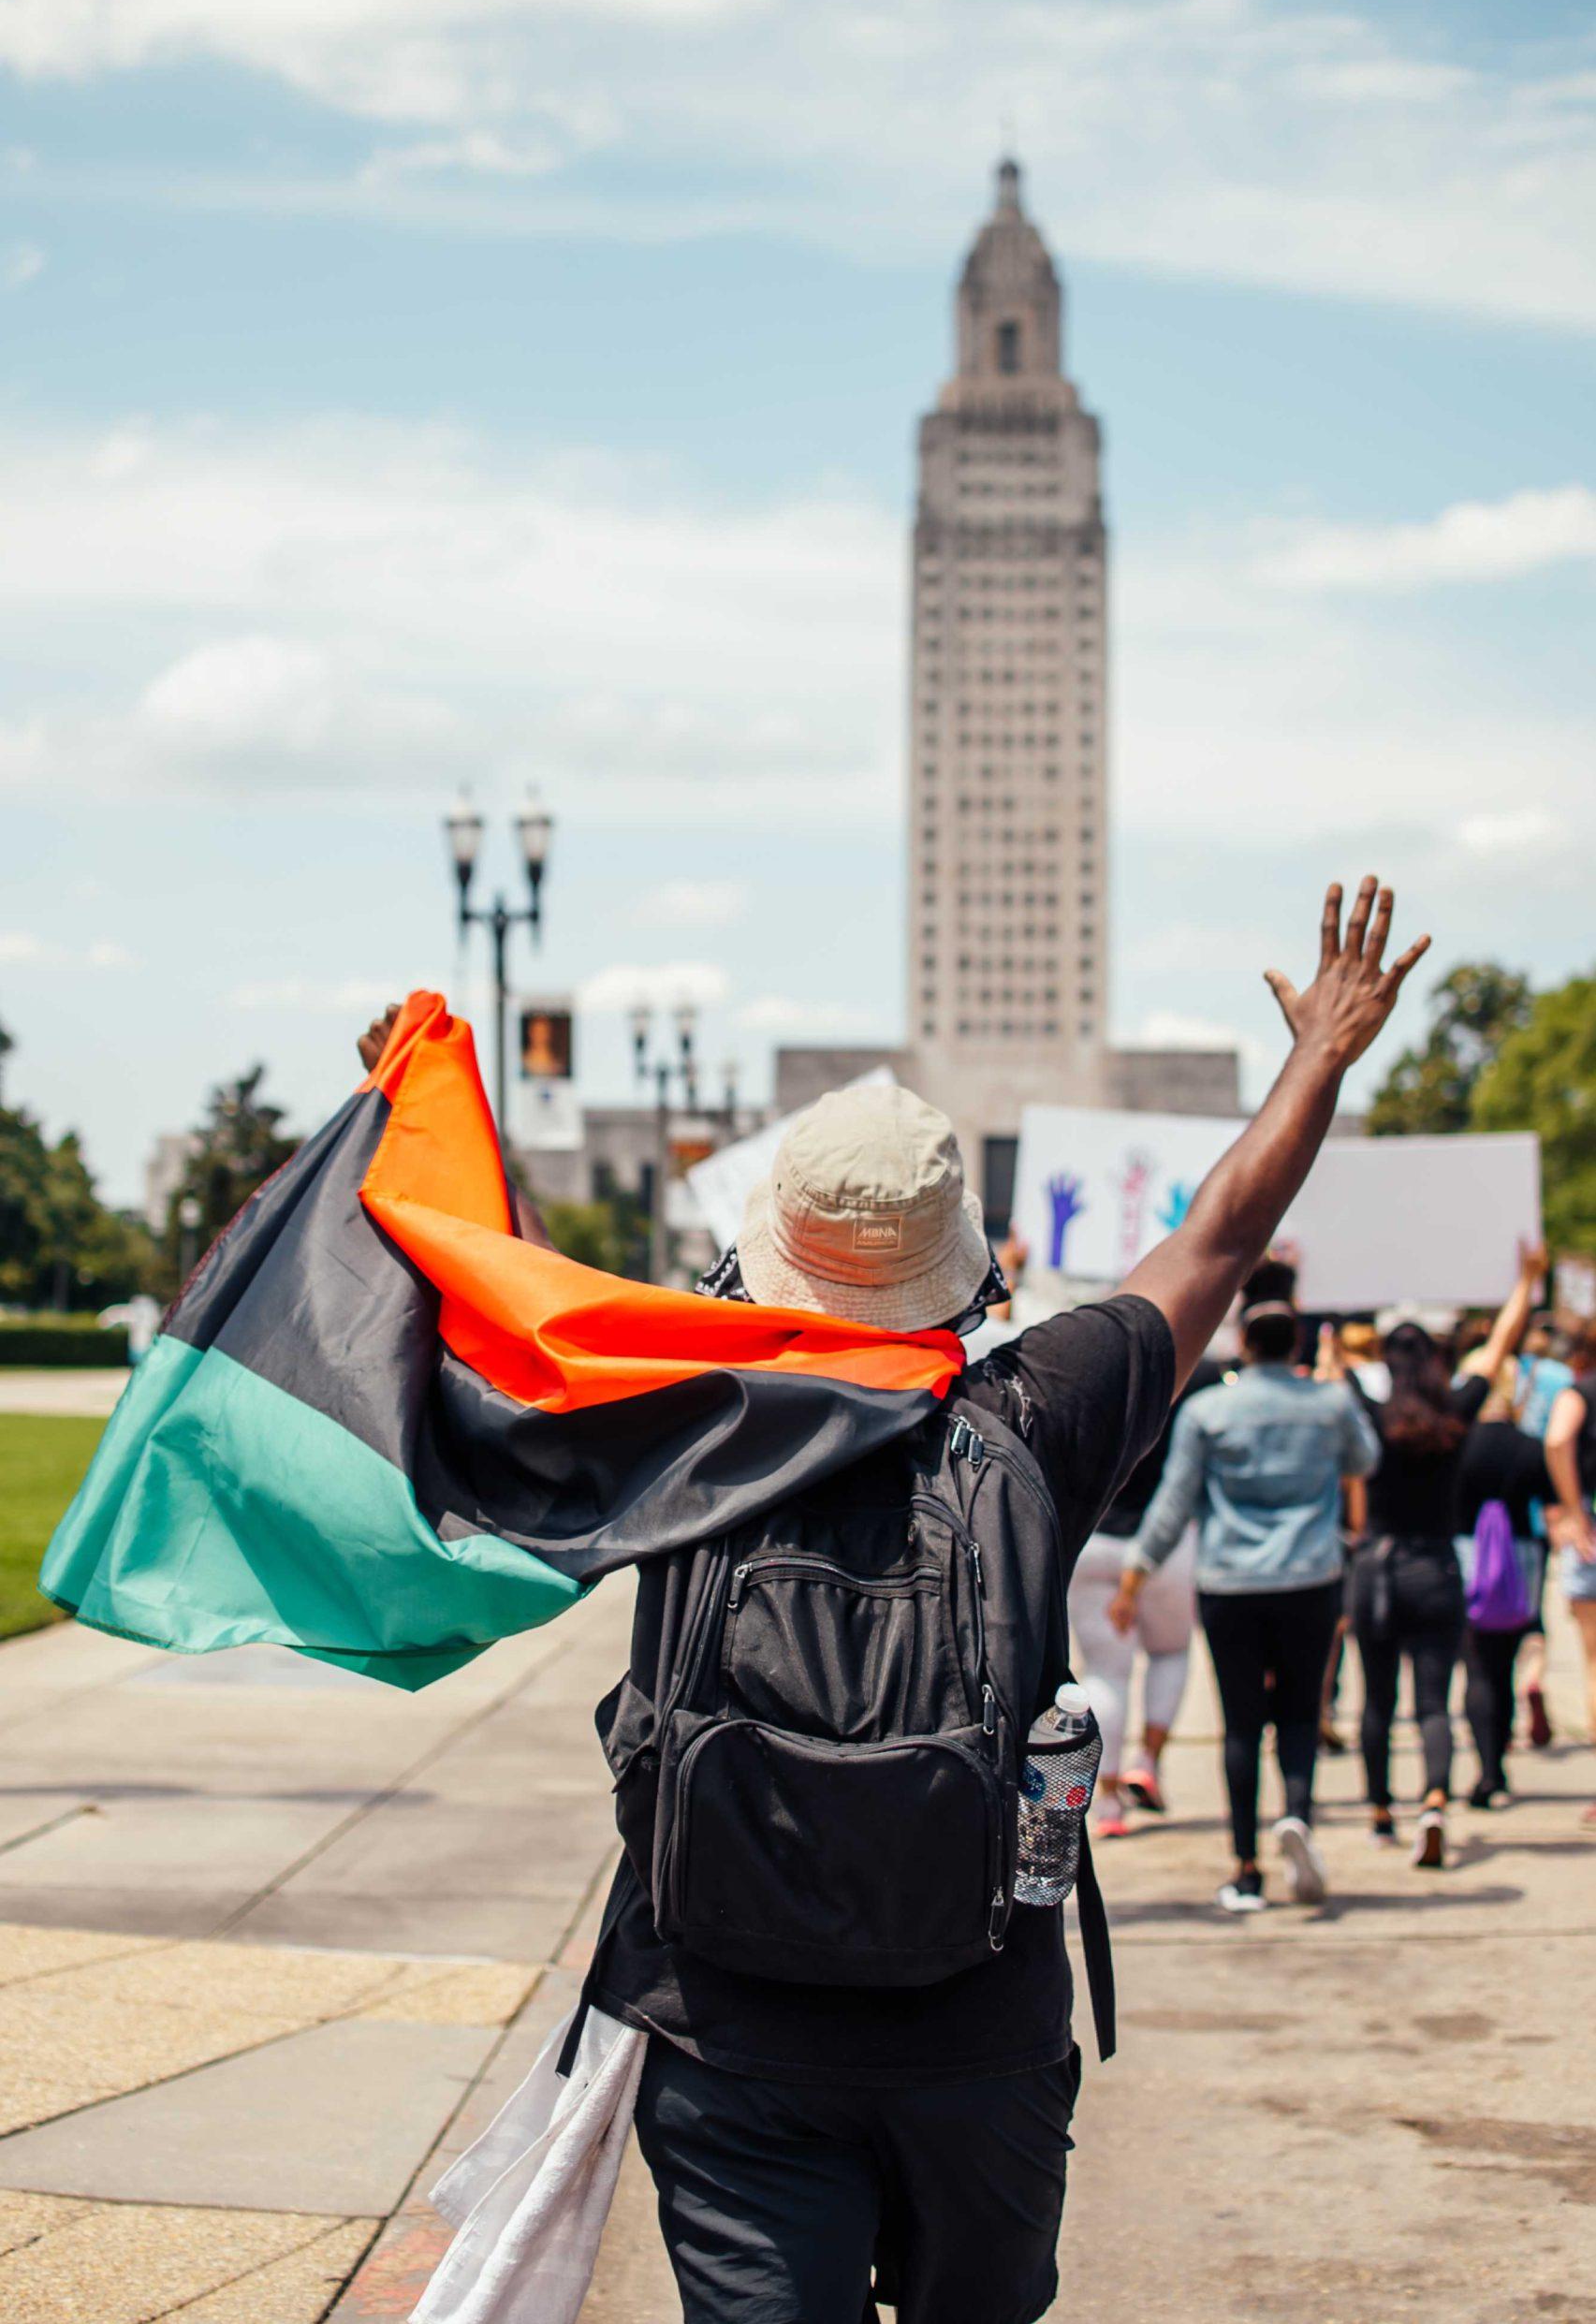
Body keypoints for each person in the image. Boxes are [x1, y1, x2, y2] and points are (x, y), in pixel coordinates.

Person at [360, 874, 1427, 2324]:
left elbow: (505, 1306)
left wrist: (407, 1125)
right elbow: (1219, 1243)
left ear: (769, 1253)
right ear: (962, 1267)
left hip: (725, 2028)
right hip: (977, 2040)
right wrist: (1320, 1052)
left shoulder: (686, 1422)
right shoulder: (1044, 1418)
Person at [1110, 1262, 1380, 1913]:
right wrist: (1331, 1390)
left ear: (1242, 1343)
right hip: (1309, 1577)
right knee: (1297, 1714)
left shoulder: (1207, 1411)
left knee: (1239, 1724)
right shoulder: (1328, 1403)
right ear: (1293, 1344)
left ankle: (1245, 1866)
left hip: (1230, 1583)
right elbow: (1365, 1461)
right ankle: (1296, 1817)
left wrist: (1134, 1575)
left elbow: (1174, 1504)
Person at [1345, 1246, 1545, 1868]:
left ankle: (1380, 1812)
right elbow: (1500, 1348)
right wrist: (1526, 1283)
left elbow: (1326, 1363)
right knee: (1432, 1700)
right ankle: (1433, 1799)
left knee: (1376, 1700)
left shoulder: (1372, 1413)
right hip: (1436, 1565)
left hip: (1375, 1567)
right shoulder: (1455, 1413)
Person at [1066, 1349, 1223, 1832]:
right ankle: (1147, 1763)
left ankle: (1109, 1800)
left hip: (1093, 1539)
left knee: (1105, 1673)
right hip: (1166, 1542)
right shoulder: (1202, 1376)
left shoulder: (1084, 1372)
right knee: (1171, 1653)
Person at [1455, 1369, 1558, 1805]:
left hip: (1467, 1559)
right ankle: (1499, 1756)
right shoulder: (1529, 1446)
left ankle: (1488, 1769)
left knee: (1476, 1668)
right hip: (1520, 1562)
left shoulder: (1458, 1444)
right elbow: (1551, 1508)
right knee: (1504, 1666)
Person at [1513, 1316, 1576, 1747]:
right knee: (1533, 1609)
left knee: (1488, 1614)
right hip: (1542, 1506)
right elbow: (1563, 1441)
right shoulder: (1560, 1378)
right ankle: (1533, 1677)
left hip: (1485, 1510)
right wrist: (1568, 1507)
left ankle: (1500, 1700)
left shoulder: (1490, 1370)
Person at [1543, 1333, 1596, 1831]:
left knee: (1595, 1661)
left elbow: (1558, 1438)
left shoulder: (1580, 1392)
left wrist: (1574, 1510)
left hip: (1592, 1533)